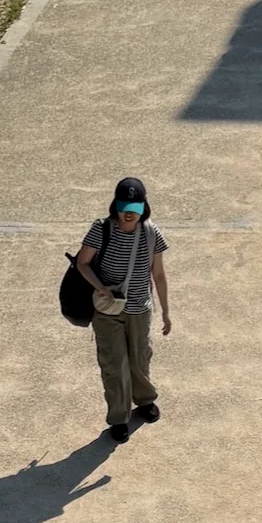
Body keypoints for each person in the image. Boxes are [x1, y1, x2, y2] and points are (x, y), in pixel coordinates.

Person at [75, 178, 170, 443]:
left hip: (139, 309)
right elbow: (83, 263)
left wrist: (166, 311)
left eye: (135, 208)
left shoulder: (152, 233)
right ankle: (119, 417)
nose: (129, 214)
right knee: (114, 364)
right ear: (115, 206)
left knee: (140, 357)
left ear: (144, 207)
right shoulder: (101, 230)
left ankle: (145, 401)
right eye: (124, 208)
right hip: (107, 310)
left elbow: (159, 275)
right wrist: (101, 287)